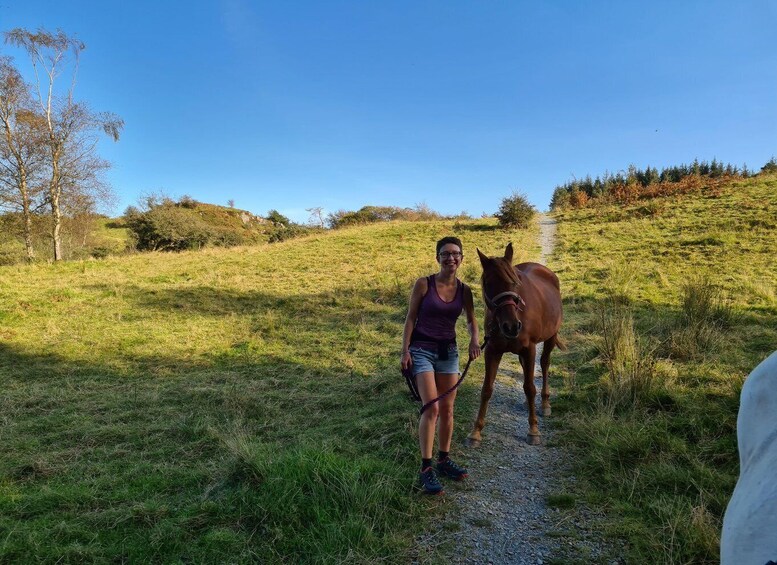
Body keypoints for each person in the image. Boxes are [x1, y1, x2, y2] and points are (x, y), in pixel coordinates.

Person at [401, 236, 481, 494]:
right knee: (431, 408)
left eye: (455, 253)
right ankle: (426, 468)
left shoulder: (465, 290)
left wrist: (474, 339)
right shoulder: (424, 284)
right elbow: (411, 317)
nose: (451, 258)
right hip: (422, 350)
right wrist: (405, 350)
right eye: (445, 254)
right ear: (437, 257)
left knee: (448, 409)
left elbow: (471, 319)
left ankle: (444, 459)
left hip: (449, 352)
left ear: (461, 258)